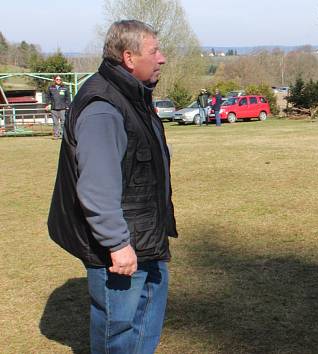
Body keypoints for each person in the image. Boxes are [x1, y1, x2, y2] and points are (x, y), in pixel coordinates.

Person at [47, 20, 177, 353]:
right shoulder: (104, 107)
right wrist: (117, 243)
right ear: (129, 57)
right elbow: (96, 186)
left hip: (147, 239)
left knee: (143, 330)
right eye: (155, 51)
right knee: (117, 336)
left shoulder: (132, 96)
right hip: (121, 249)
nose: (162, 58)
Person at [46, 75, 71, 139]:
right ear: (54, 80)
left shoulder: (65, 87)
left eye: (59, 79)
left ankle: (63, 136)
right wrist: (48, 104)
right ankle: (56, 135)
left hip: (63, 108)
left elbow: (68, 98)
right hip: (53, 108)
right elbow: (48, 97)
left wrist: (68, 106)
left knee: (63, 122)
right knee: (55, 123)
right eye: (57, 79)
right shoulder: (50, 88)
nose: (58, 80)